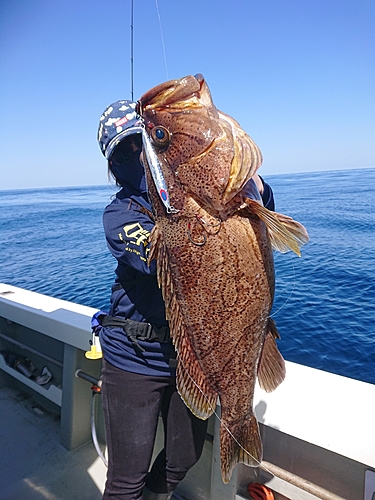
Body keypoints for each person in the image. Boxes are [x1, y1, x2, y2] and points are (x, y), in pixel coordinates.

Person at [95, 100, 275, 500]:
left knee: (184, 457)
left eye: (141, 143)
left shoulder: (196, 193)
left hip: (190, 355)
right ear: (112, 167)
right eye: (121, 153)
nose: (135, 157)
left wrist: (255, 191)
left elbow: (248, 236)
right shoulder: (120, 216)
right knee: (126, 480)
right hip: (134, 358)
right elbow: (177, 259)